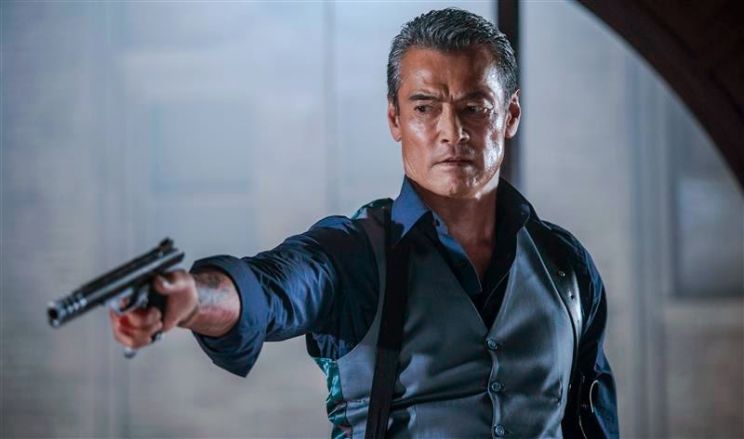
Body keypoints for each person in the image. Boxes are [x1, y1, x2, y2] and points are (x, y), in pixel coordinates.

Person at [109, 8, 619, 438]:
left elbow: (593, 421)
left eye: (474, 108)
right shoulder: (353, 255)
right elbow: (270, 290)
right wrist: (196, 297)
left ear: (510, 116)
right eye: (425, 108)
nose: (451, 132)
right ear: (395, 119)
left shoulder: (565, 266)